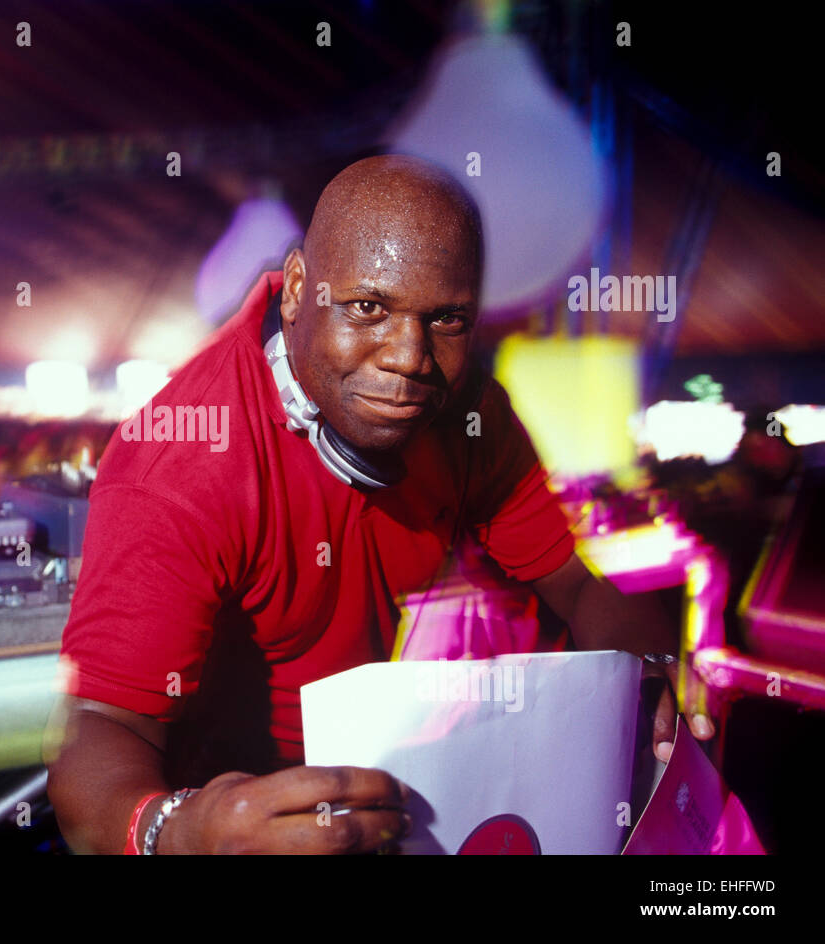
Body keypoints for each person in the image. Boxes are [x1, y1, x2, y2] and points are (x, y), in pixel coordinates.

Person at [44, 155, 714, 854]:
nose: (409, 357)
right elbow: (100, 727)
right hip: (242, 809)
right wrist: (180, 831)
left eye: (446, 319)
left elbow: (577, 580)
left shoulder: (469, 415)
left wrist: (655, 666)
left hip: (401, 788)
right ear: (300, 287)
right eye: (368, 307)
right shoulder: (183, 467)